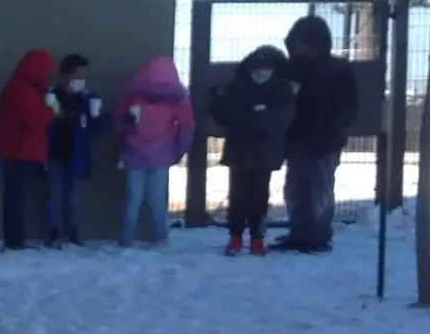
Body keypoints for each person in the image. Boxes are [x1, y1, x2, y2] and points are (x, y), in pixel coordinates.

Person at [277, 14, 357, 253]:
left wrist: (331, 128)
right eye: (298, 44)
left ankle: (318, 235)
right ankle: (299, 232)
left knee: (319, 188)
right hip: (297, 138)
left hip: (324, 140)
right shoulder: (290, 70)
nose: (302, 49)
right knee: (295, 188)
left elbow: (348, 106)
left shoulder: (337, 70)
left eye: (306, 44)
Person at [208, 44, 298, 256]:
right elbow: (225, 114)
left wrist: (249, 117)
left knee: (259, 197)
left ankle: (257, 238)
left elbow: (281, 119)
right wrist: (258, 116)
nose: (260, 74)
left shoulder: (281, 89)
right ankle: (237, 236)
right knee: (238, 196)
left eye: (265, 70)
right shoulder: (238, 87)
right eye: (256, 70)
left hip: (260, 153)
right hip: (243, 152)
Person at [115, 54, 195, 246]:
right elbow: (187, 126)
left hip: (135, 152)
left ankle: (127, 239)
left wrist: (127, 122)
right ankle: (161, 237)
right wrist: (178, 151)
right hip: (161, 154)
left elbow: (118, 124)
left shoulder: (133, 96)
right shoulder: (176, 98)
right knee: (157, 199)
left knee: (133, 200)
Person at [0, 46, 59, 249]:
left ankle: (16, 240)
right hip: (19, 150)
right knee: (17, 198)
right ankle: (14, 241)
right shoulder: (21, 89)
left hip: (23, 148)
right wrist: (50, 110)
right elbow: (33, 120)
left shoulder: (27, 87)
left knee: (18, 197)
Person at [43, 53, 106, 246]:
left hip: (75, 154)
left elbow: (94, 130)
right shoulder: (51, 96)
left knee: (73, 196)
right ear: (65, 75)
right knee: (53, 195)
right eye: (77, 76)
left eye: (83, 77)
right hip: (54, 152)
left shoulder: (85, 99)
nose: (81, 81)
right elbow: (44, 124)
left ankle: (73, 232)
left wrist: (98, 117)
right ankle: (53, 233)